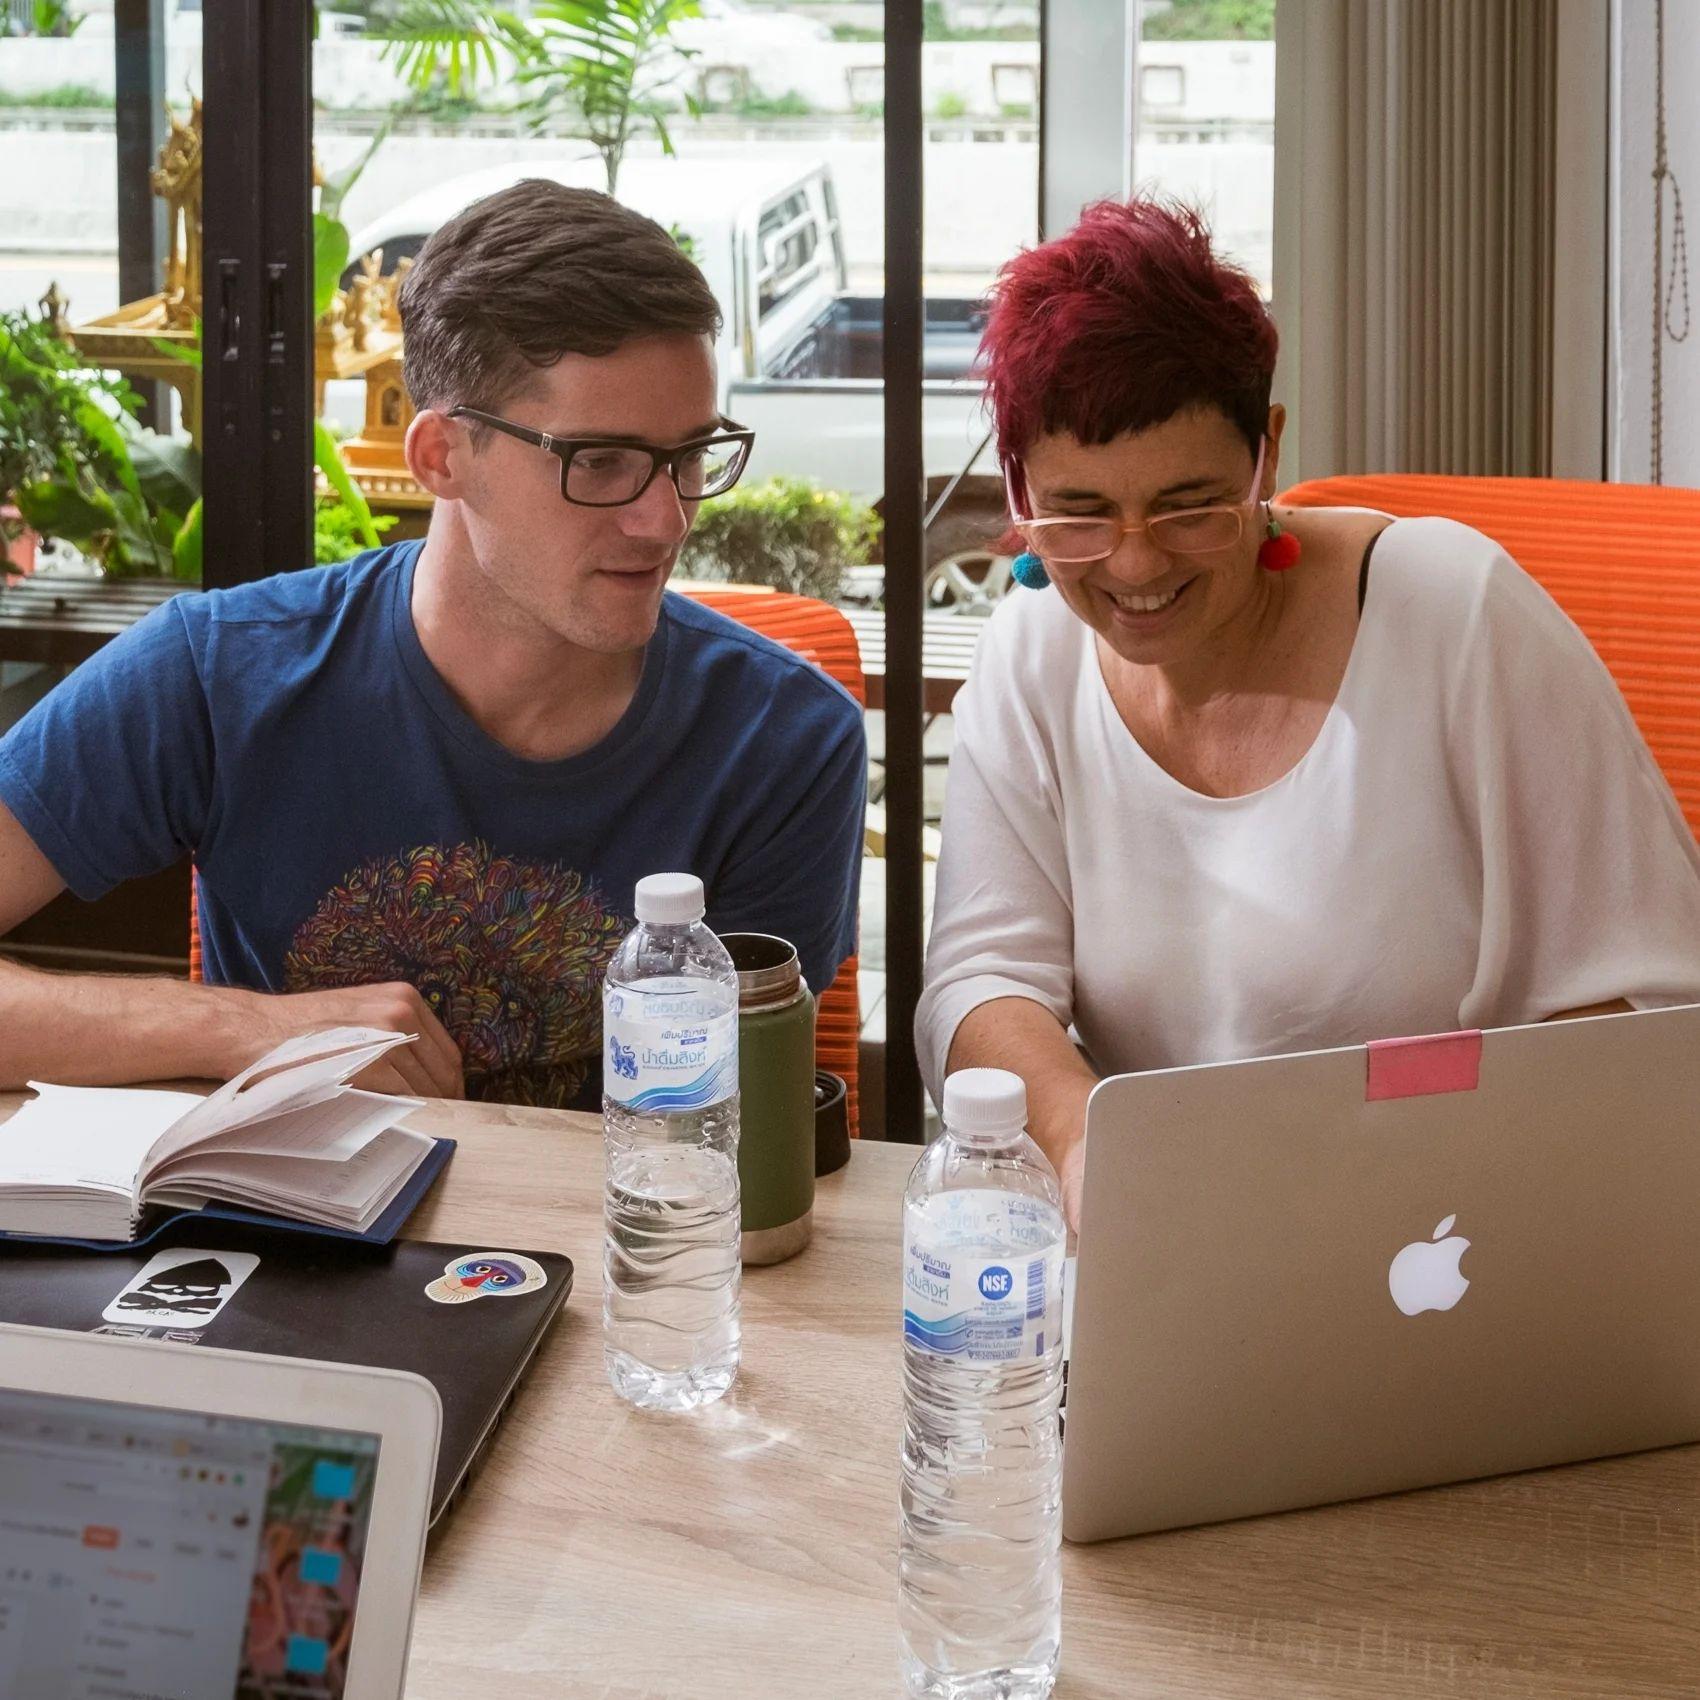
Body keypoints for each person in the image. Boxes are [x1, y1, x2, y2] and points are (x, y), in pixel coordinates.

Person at [917, 197, 1700, 1225]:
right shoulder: (1029, 651)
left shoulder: (1452, 615)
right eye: (1079, 511)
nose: (1136, 562)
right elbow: (979, 976)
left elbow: (1640, 1012)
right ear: (1018, 485)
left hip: (1456, 1241)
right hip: (1180, 1243)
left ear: (1265, 453)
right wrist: (1079, 1138)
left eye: (1188, 503)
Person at [0, 180, 865, 1109]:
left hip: (629, 1245)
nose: (665, 520)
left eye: (691, 456)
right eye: (601, 462)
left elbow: (737, 1140)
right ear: (440, 458)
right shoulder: (219, 675)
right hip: (295, 1238)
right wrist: (247, 1029)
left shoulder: (786, 742)